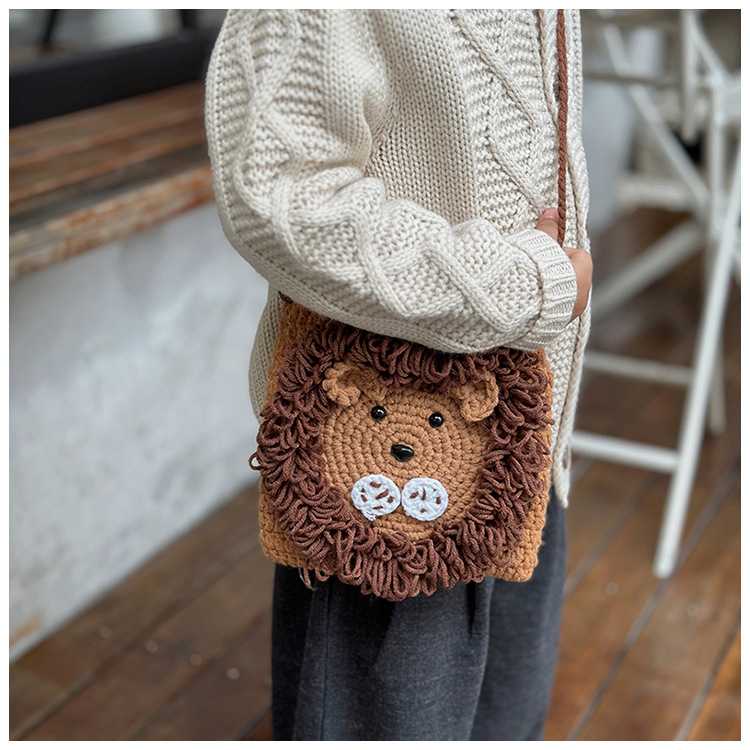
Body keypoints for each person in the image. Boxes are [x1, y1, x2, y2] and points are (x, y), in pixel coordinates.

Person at [205, 9, 592, 740]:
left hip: (528, 444)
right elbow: (278, 193)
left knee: (505, 721)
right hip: (369, 469)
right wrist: (524, 285)